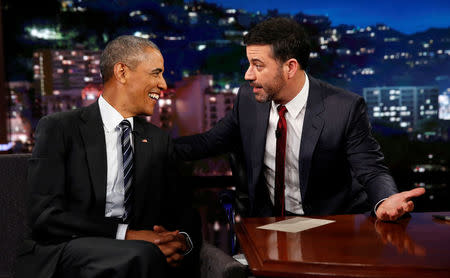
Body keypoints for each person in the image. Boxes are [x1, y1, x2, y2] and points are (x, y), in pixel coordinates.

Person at [175, 18, 425, 221]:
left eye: (258, 65)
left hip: (329, 226)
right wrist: (145, 143)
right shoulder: (248, 100)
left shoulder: (344, 108)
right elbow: (208, 142)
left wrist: (385, 200)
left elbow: (370, 169)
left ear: (290, 67)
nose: (248, 75)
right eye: (248, 63)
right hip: (267, 224)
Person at [15, 36, 201, 278]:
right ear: (122, 72)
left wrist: (181, 243)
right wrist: (126, 234)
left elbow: (185, 213)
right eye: (155, 73)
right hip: (67, 249)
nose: (163, 84)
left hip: (138, 254)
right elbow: (45, 215)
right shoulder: (59, 128)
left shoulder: (158, 140)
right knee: (141, 254)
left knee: (146, 256)